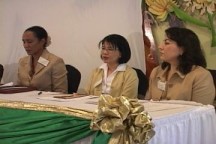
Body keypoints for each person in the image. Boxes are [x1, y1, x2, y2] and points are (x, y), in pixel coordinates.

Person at [145, 27, 215, 105]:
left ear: (183, 49)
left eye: (167, 43)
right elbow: (147, 103)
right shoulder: (156, 71)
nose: (160, 47)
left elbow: (201, 113)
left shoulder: (201, 76)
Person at [84, 34, 138, 99]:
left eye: (110, 49)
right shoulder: (96, 71)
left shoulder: (130, 74)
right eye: (103, 48)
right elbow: (86, 94)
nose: (105, 52)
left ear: (121, 53)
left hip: (117, 108)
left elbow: (126, 100)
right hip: (92, 108)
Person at [17, 26, 68, 93]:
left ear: (42, 41)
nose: (26, 45)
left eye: (29, 42)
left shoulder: (55, 62)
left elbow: (61, 92)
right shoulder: (22, 61)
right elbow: (18, 87)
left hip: (46, 102)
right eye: (24, 42)